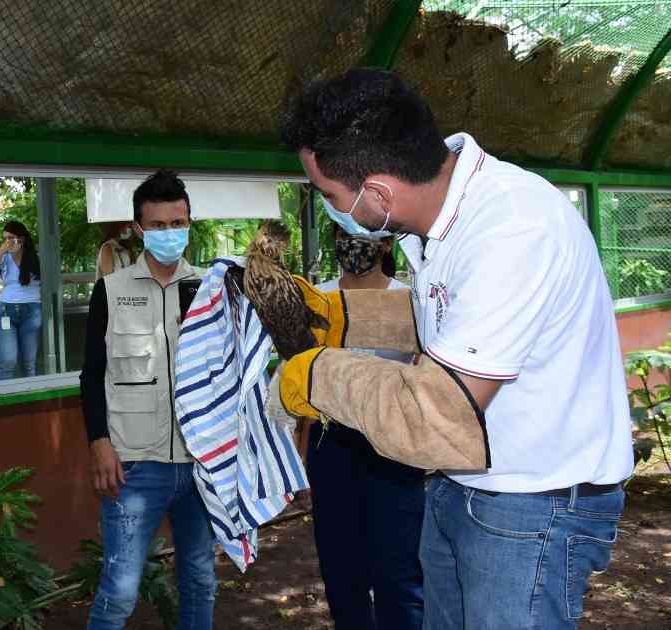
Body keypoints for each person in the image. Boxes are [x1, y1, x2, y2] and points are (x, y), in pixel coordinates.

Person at [277, 68, 632, 629]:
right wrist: (336, 315)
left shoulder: (513, 230)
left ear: (378, 192)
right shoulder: (441, 217)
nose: (330, 207)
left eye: (329, 195)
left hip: (532, 503)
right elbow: (449, 319)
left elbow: (434, 415)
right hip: (464, 482)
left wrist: (320, 375)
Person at [80, 169, 214, 629]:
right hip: (135, 465)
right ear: (139, 229)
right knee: (119, 591)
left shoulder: (212, 290)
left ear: (189, 223)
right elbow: (92, 374)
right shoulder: (111, 291)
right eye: (158, 225)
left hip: (201, 463)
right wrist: (99, 442)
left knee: (200, 579)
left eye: (178, 223)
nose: (169, 233)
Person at [304, 224, 424, 630]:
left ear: (386, 244)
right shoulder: (317, 298)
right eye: (345, 235)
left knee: (398, 570)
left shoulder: (410, 300)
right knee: (340, 568)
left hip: (393, 444)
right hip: (332, 443)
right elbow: (303, 377)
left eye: (365, 235)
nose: (353, 244)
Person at [0, 220, 41, 379]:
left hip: (31, 311)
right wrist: (0, 253)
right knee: (8, 361)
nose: (7, 242)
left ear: (21, 239)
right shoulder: (4, 257)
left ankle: (30, 394)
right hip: (6, 311)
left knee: (29, 363)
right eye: (5, 238)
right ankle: (3, 394)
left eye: (10, 238)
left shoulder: (35, 257)